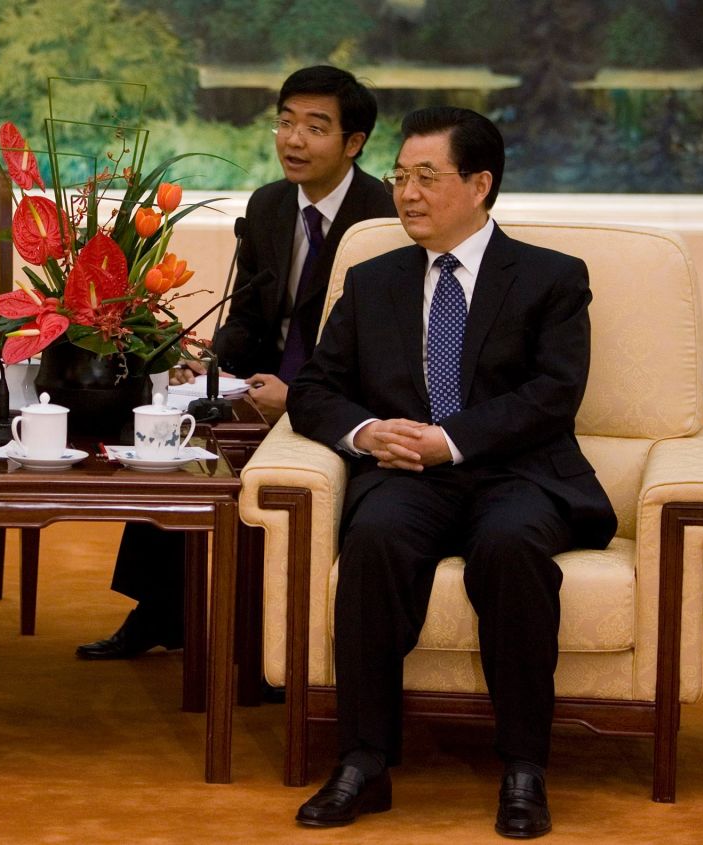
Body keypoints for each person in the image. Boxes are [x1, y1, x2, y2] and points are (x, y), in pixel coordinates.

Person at [287, 107, 617, 838]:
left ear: (479, 184)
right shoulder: (372, 281)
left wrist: (451, 439)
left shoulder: (550, 278)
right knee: (371, 539)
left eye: (426, 177)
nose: (406, 193)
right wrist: (369, 431)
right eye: (399, 177)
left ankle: (524, 765)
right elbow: (313, 389)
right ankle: (363, 760)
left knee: (511, 547)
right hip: (406, 478)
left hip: (517, 474)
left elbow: (554, 393)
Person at [77, 65, 396, 661]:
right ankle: (159, 610)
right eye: (285, 122)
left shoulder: (385, 217)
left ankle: (270, 632)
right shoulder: (271, 204)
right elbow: (250, 312)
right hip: (259, 378)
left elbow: (384, 345)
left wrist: (300, 391)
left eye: (314, 127)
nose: (293, 140)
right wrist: (209, 367)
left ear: (354, 143)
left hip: (344, 391)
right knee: (167, 434)